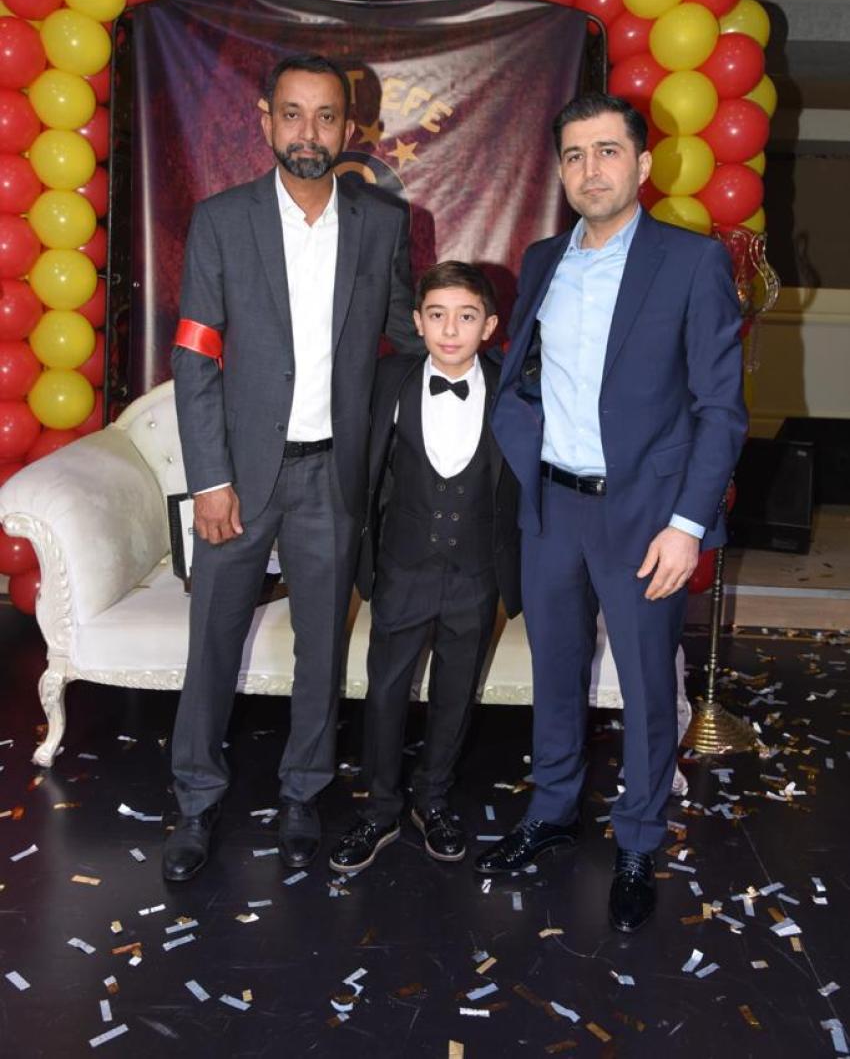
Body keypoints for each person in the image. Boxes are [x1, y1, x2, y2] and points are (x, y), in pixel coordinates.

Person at [475, 92, 747, 933]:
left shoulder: (691, 262)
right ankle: (552, 812)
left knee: (645, 683)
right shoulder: (542, 259)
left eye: (606, 151)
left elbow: (720, 410)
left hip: (646, 517)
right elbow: (524, 374)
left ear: (642, 163)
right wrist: (526, 454)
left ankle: (637, 838)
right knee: (555, 674)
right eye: (574, 155)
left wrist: (687, 525)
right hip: (553, 508)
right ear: (560, 171)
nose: (589, 170)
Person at [163, 53, 420, 883]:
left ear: (351, 128)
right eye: (293, 113)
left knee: (321, 649)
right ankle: (196, 800)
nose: (310, 132)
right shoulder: (221, 220)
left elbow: (405, 339)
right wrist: (210, 480)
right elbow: (196, 358)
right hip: (238, 479)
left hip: (333, 477)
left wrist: (477, 365)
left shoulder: (383, 223)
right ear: (266, 119)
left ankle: (303, 792)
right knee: (213, 643)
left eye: (327, 116)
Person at [330, 262, 521, 873]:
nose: (450, 329)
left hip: (476, 570)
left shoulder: (514, 387)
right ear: (417, 322)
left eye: (466, 317)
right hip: (402, 565)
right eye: (437, 315)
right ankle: (380, 807)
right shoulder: (387, 378)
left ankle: (432, 799)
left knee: (456, 691)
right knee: (386, 688)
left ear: (489, 326)